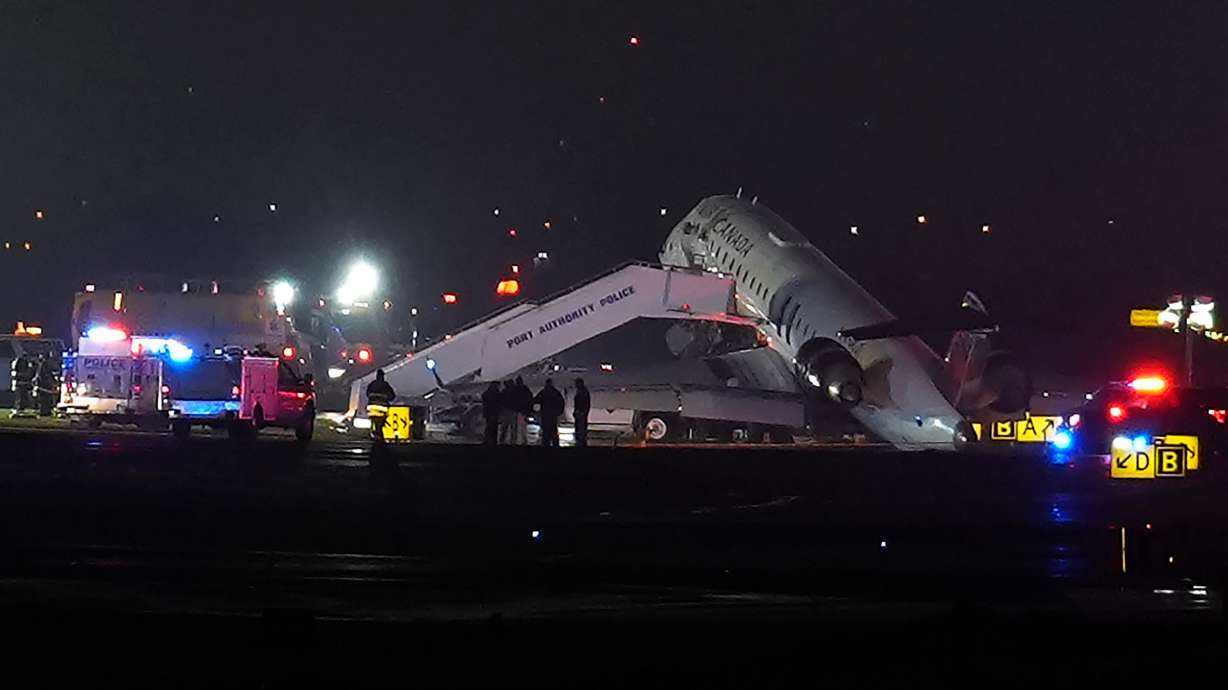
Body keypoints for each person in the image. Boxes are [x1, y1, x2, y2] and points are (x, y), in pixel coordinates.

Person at [365, 369, 396, 450]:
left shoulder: (372, 384)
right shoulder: (385, 385)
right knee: (380, 425)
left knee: (374, 423)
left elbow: (367, 394)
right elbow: (392, 396)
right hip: (381, 409)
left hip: (371, 409)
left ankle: (375, 436)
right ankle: (380, 442)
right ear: (383, 376)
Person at [534, 378, 565, 447]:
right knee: (553, 432)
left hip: (545, 415)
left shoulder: (544, 392)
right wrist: (559, 412)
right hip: (553, 416)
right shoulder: (555, 392)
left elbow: (536, 400)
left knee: (546, 433)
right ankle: (555, 446)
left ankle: (545, 446)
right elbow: (561, 402)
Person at [513, 376, 533, 445]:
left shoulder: (514, 390)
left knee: (516, 428)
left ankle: (516, 442)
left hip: (516, 411)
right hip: (523, 411)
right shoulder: (525, 390)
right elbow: (530, 399)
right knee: (522, 428)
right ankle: (523, 442)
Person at [481, 381, 501, 446]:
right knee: (492, 428)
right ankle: (491, 441)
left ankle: (488, 440)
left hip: (489, 413)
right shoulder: (494, 393)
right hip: (492, 412)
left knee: (490, 427)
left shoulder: (488, 393)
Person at [573, 377, 591, 448]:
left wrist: (582, 412)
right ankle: (580, 441)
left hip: (581, 413)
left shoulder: (583, 392)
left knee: (581, 428)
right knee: (580, 428)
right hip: (580, 412)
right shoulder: (582, 391)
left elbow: (583, 403)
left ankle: (581, 442)